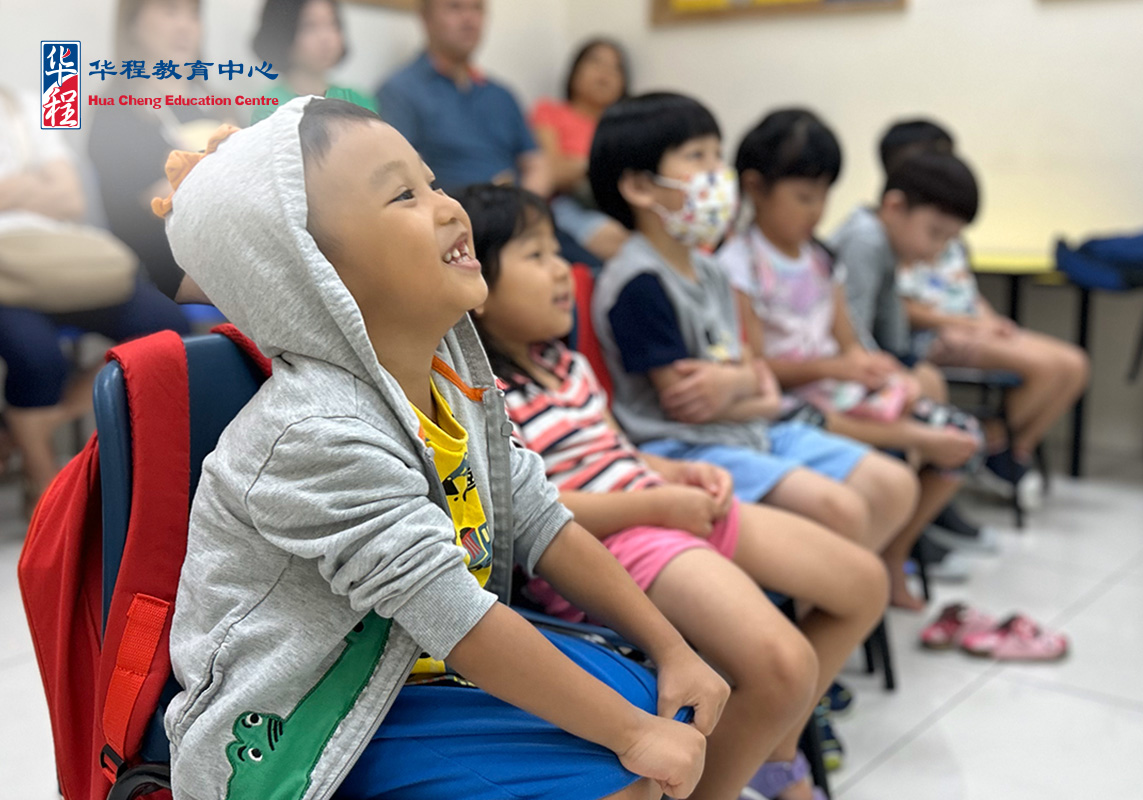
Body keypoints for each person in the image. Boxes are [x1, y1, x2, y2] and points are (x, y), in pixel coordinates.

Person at [156, 96, 729, 800]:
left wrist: (672, 648)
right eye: (404, 194)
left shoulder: (452, 386)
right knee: (627, 768)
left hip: (408, 675)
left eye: (431, 181)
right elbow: (457, 618)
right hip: (309, 723)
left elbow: (542, 521)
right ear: (309, 272)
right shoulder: (314, 432)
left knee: (656, 700)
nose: (450, 207)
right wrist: (633, 737)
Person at [459, 182, 889, 800]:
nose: (563, 271)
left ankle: (769, 751)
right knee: (785, 666)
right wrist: (659, 503)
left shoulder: (568, 365)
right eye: (535, 256)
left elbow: (618, 453)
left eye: (559, 251)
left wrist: (673, 473)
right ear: (478, 287)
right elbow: (533, 513)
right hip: (609, 544)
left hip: (664, 510)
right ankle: (735, 773)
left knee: (861, 583)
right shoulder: (486, 394)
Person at [588, 91, 918, 561]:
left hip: (748, 426)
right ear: (640, 186)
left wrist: (743, 384)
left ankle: (824, 605)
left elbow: (749, 373)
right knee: (840, 510)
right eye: (696, 156)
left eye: (717, 154)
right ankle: (811, 609)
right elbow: (690, 405)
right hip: (686, 449)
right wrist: (750, 385)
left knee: (894, 485)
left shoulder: (711, 270)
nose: (716, 172)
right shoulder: (637, 282)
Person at [718, 109, 989, 610]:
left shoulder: (822, 257)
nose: (816, 211)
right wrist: (835, 369)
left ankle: (894, 551)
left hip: (834, 388)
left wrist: (878, 370)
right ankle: (863, 558)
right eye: (803, 196)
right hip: (791, 400)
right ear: (755, 188)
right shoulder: (739, 263)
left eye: (823, 196)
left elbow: (848, 340)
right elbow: (756, 366)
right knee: (911, 444)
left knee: (963, 437)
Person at [0, 85, 189, 510]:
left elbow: (72, 197)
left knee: (166, 326)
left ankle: (38, 423)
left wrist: (11, 191)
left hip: (61, 259)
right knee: (36, 356)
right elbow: (56, 194)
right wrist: (36, 187)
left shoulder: (27, 103)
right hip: (5, 275)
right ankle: (46, 491)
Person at [881, 119, 1091, 485]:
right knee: (1045, 369)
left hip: (969, 324)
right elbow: (901, 309)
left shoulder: (948, 231)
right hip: (940, 335)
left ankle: (1009, 449)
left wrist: (991, 321)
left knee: (1074, 365)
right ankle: (989, 445)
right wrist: (973, 326)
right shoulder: (896, 228)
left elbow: (965, 290)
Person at [88, 0, 232, 303]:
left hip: (233, 251)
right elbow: (164, 203)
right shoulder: (115, 116)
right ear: (133, 24)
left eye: (193, 14)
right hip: (166, 270)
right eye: (170, 11)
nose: (185, 26)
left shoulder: (220, 107)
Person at [376, 0, 550, 196]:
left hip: (518, 214)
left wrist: (525, 210)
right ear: (426, 19)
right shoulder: (400, 91)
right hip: (451, 217)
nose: (469, 19)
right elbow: (401, 176)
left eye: (477, 8)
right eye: (455, 7)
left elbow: (536, 163)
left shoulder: (501, 95)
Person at [529, 39, 631, 260]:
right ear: (574, 71)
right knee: (617, 240)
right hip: (567, 204)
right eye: (595, 62)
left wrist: (579, 165)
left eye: (615, 68)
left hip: (621, 204)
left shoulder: (626, 126)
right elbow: (552, 171)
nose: (605, 73)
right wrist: (597, 167)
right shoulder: (550, 111)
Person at [250, 0, 378, 125]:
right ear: (282, 33)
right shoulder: (270, 106)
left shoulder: (357, 100)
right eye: (309, 26)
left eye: (332, 24)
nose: (325, 37)